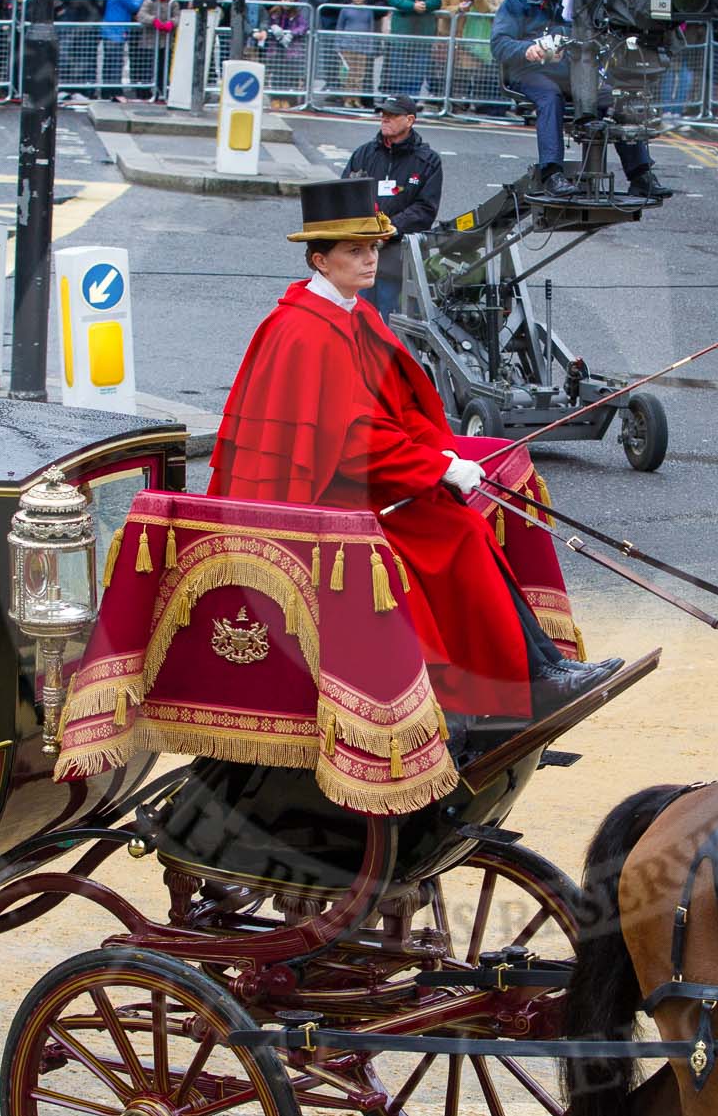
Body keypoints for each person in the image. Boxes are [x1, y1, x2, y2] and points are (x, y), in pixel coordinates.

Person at [207, 178, 625, 723]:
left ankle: (540, 667)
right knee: (457, 532)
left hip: (368, 482)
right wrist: (439, 468)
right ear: (319, 260)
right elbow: (353, 443)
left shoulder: (357, 313)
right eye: (354, 250)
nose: (369, 259)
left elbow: (402, 410)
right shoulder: (304, 331)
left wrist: (441, 457)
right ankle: (526, 679)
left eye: (373, 248)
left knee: (464, 522)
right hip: (326, 500)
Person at [490, 0, 669, 201]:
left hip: (568, 71)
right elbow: (498, 44)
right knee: (550, 97)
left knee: (617, 96)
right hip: (528, 72)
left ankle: (640, 175)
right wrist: (528, 48)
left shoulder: (571, 2)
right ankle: (552, 173)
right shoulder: (517, 1)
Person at [341, 96, 443, 318]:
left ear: (410, 120)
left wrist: (389, 229)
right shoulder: (364, 154)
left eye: (392, 115)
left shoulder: (428, 161)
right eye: (383, 114)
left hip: (399, 259)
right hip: (361, 255)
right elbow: (344, 194)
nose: (385, 119)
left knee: (393, 327)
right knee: (356, 321)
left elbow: (425, 209)